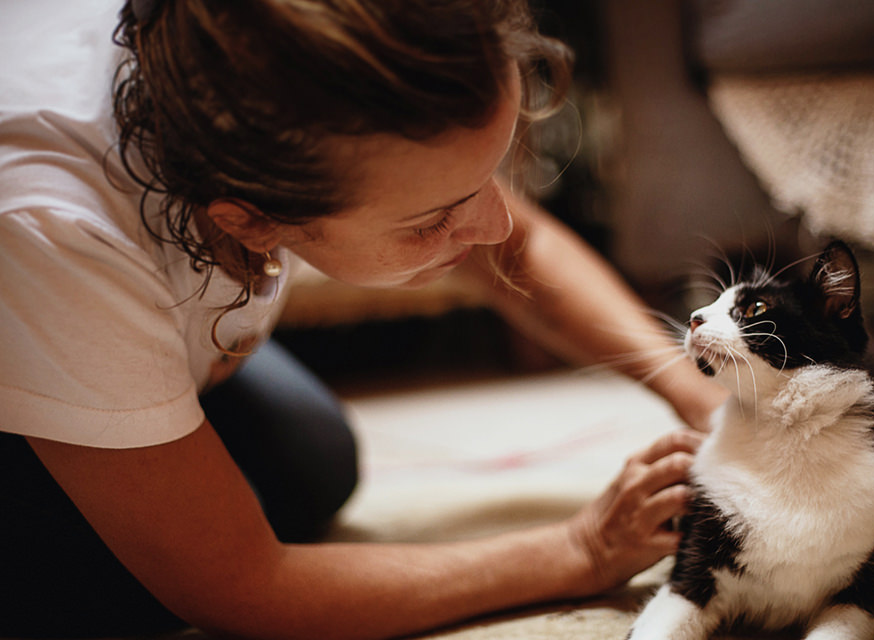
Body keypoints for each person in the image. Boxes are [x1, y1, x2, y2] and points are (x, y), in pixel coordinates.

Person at [0, 0, 727, 637]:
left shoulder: (297, 62)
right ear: (250, 219)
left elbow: (522, 244)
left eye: (488, 176)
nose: (497, 220)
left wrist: (703, 395)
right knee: (140, 582)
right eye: (436, 218)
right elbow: (244, 587)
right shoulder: (49, 219)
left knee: (310, 459)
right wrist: (580, 551)